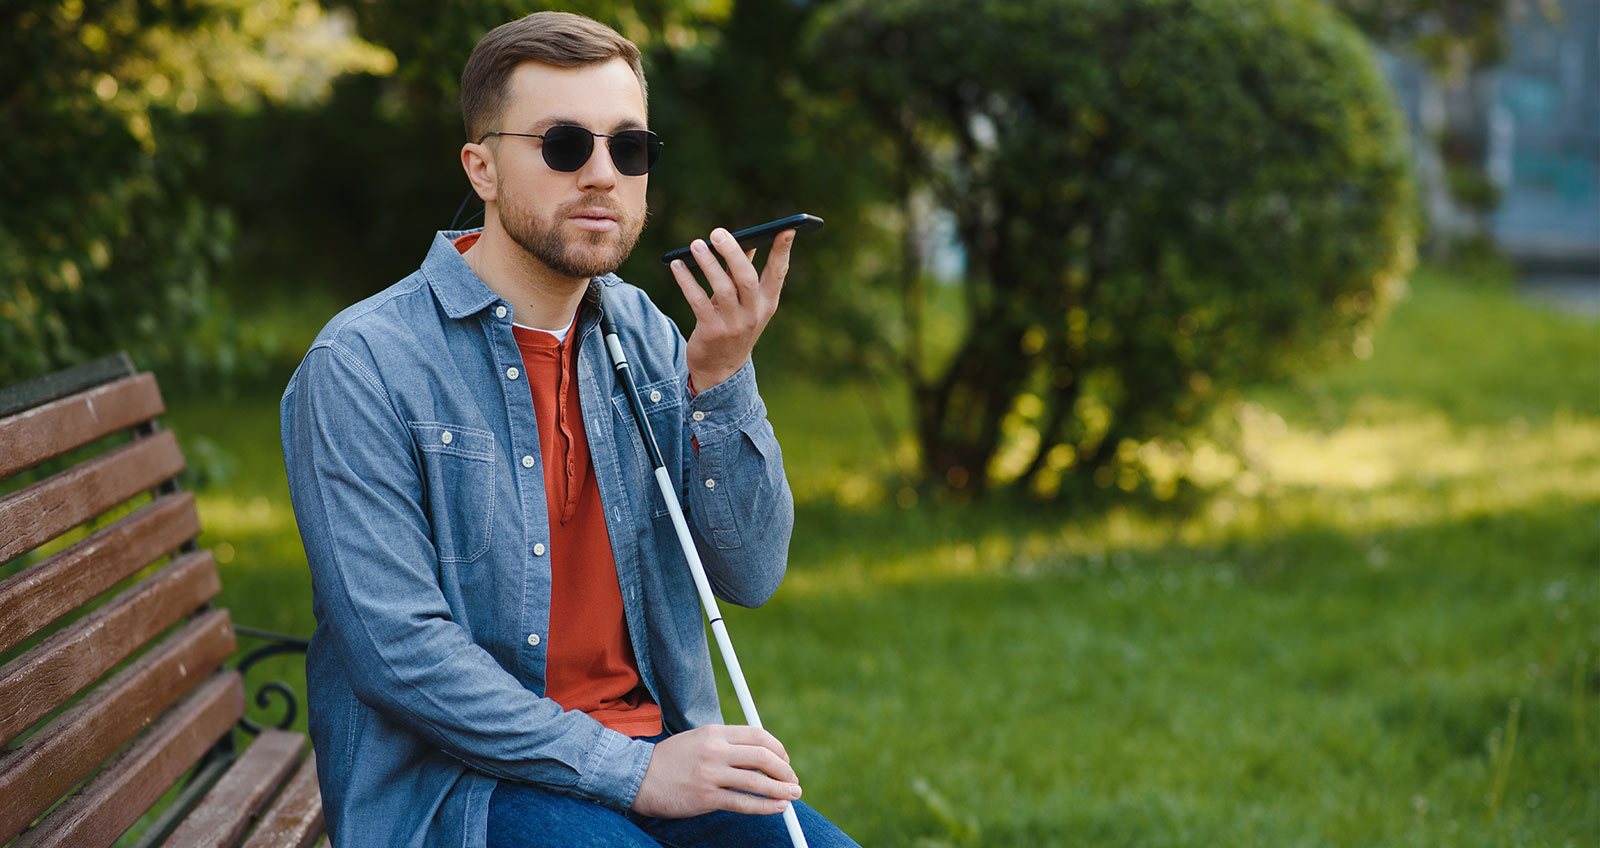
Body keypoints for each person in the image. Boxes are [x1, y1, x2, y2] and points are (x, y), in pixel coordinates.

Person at [279, 10, 859, 848]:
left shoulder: (651, 333)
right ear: (480, 166)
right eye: (563, 146)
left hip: (660, 751)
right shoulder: (364, 363)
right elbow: (399, 653)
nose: (602, 175)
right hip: (464, 788)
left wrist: (723, 377)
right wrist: (636, 774)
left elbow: (753, 572)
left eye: (629, 149)